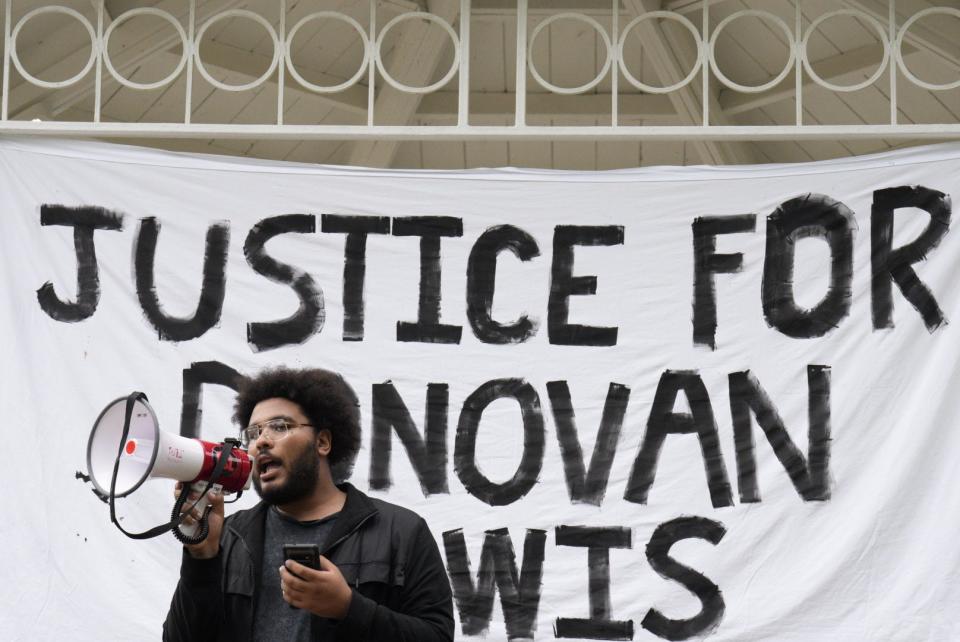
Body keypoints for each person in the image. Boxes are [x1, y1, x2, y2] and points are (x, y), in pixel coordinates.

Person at [163, 367, 455, 641]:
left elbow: (438, 636)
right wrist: (201, 557)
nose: (262, 441)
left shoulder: (401, 531)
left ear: (323, 442)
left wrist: (347, 608)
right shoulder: (229, 536)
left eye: (279, 426)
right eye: (252, 434)